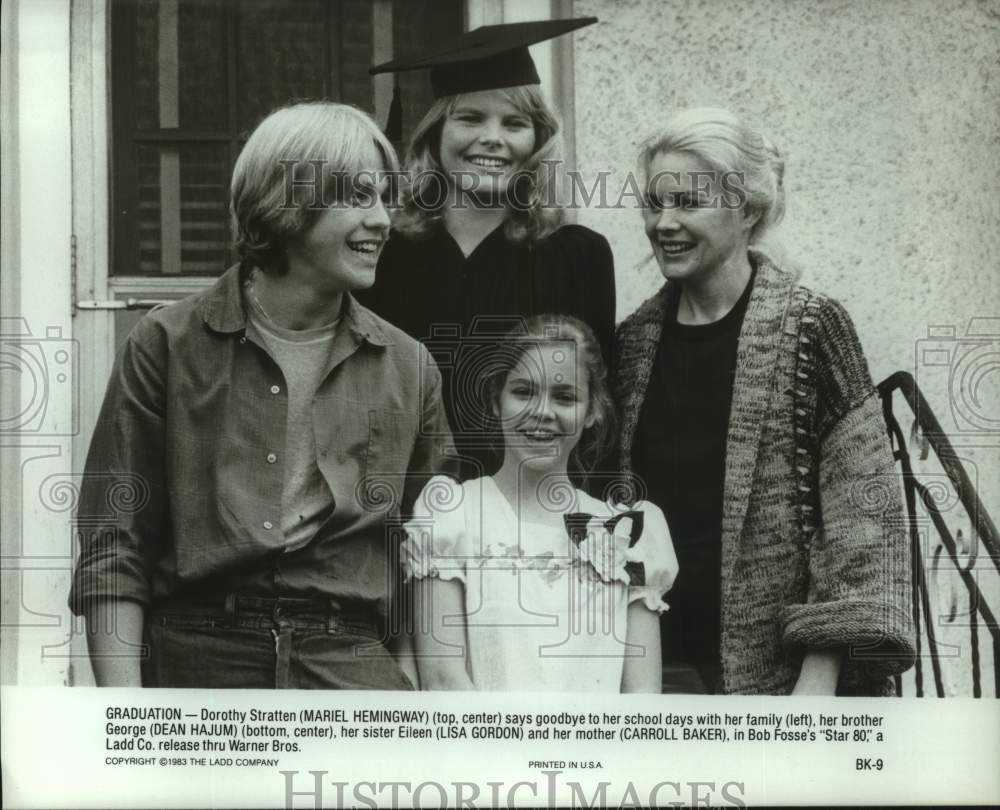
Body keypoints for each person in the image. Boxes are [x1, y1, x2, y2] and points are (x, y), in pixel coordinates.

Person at [69, 102, 453, 689]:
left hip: (348, 665)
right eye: (358, 196)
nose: (382, 220)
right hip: (197, 659)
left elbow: (423, 551)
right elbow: (114, 548)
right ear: (287, 203)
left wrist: (398, 682)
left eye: (383, 197)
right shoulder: (166, 345)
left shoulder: (408, 366)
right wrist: (125, 716)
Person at [615, 107, 916, 695]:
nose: (663, 223)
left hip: (787, 683)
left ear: (748, 209)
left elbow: (863, 518)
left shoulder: (812, 329)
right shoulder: (632, 345)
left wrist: (818, 679)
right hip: (655, 676)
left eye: (688, 203)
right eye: (654, 203)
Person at [361, 19, 616, 482]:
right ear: (436, 132)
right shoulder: (384, 252)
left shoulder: (579, 256)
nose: (493, 137)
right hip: (403, 500)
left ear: (538, 139)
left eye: (514, 123)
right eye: (471, 118)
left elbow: (597, 409)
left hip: (535, 506)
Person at [402, 315, 677, 691]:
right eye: (524, 392)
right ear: (496, 400)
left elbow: (642, 698)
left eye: (565, 397)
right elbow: (442, 678)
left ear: (592, 411)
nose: (542, 412)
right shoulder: (453, 515)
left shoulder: (630, 533)